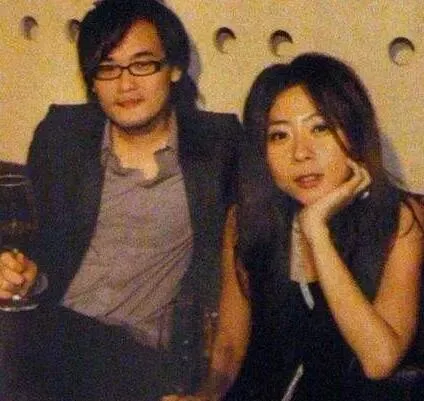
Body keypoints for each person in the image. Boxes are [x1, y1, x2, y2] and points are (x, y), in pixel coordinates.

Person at [0, 0, 241, 400]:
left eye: (142, 65)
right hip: (52, 334)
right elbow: (45, 253)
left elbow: (240, 279)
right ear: (92, 80)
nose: (125, 85)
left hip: (139, 358)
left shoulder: (219, 149)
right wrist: (24, 275)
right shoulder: (63, 138)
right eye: (108, 68)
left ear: (174, 69)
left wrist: (212, 388)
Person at [164, 53, 424, 401]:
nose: (301, 153)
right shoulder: (247, 220)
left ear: (354, 132)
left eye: (320, 128)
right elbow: (230, 343)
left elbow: (379, 359)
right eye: (279, 136)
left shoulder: (400, 218)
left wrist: (316, 230)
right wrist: (205, 395)